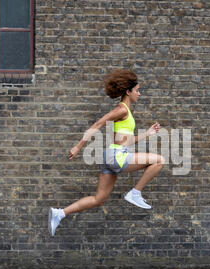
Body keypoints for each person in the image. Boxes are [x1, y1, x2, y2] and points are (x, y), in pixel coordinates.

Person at [48, 69, 166, 236]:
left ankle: (60, 213)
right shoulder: (122, 109)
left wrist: (148, 134)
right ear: (128, 91)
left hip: (111, 156)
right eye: (137, 90)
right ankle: (135, 193)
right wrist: (78, 147)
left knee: (99, 199)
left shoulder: (125, 111)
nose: (139, 94)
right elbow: (98, 124)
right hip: (117, 156)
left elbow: (126, 141)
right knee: (159, 160)